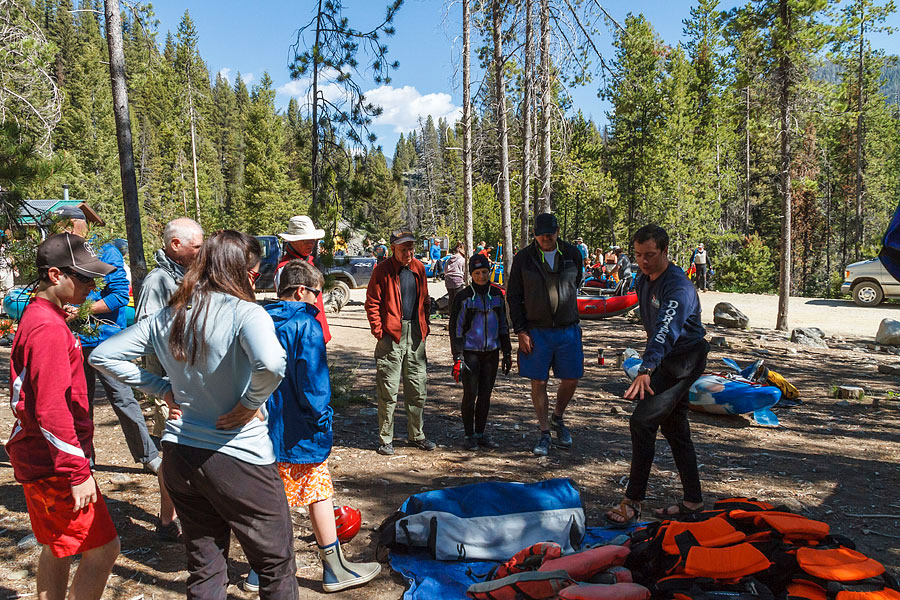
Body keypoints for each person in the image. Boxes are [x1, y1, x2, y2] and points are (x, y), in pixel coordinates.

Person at [89, 231, 298, 599]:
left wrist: (162, 387)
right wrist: (250, 404)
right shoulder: (246, 313)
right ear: (239, 270)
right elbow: (271, 363)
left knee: (205, 568)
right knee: (276, 567)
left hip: (181, 457)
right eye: (253, 270)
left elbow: (103, 355)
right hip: (240, 459)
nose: (256, 276)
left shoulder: (172, 314)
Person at [243, 259, 381, 593]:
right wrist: (323, 420)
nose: (319, 302)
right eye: (317, 294)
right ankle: (334, 569)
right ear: (302, 291)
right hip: (299, 427)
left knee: (271, 498)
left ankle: (257, 572)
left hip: (262, 428)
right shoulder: (305, 325)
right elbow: (313, 382)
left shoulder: (257, 320)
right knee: (318, 492)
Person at [6, 233, 120, 600]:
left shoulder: (43, 317)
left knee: (58, 546)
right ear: (55, 275)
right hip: (53, 465)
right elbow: (51, 409)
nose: (92, 286)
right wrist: (77, 471)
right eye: (85, 278)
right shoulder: (48, 328)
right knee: (103, 549)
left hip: (41, 457)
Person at [605, 224, 709, 527]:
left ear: (665, 251)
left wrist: (647, 368)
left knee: (642, 421)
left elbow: (666, 328)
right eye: (638, 255)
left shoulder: (677, 286)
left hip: (684, 359)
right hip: (665, 357)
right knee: (675, 428)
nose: (643, 261)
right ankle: (693, 501)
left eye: (650, 255)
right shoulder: (643, 279)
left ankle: (633, 501)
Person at [56, 206, 161, 475]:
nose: (66, 231)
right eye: (62, 227)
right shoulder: (61, 255)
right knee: (79, 402)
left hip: (106, 341)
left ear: (81, 226)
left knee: (124, 400)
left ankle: (148, 456)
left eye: (69, 225)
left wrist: (85, 310)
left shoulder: (106, 252)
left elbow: (118, 297)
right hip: (74, 342)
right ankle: (84, 459)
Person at [135, 217, 204, 542]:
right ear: (175, 245)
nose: (201, 252)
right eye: (197, 246)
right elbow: (145, 335)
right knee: (172, 452)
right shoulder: (157, 281)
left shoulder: (190, 276)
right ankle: (167, 520)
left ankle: (189, 514)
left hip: (193, 384)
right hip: (168, 388)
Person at [507, 213, 584, 456]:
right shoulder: (523, 259)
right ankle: (543, 432)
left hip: (567, 329)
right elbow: (513, 296)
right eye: (542, 233)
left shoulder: (572, 254)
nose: (546, 237)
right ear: (535, 234)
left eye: (550, 232)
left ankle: (557, 418)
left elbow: (577, 282)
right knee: (538, 381)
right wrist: (520, 331)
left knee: (571, 378)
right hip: (536, 331)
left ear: (558, 231)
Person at [364, 229, 435, 456]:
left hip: (415, 333)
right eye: (404, 249)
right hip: (391, 335)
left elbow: (424, 300)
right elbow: (372, 302)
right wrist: (379, 330)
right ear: (393, 248)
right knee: (388, 388)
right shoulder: (383, 271)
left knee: (417, 386)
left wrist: (425, 326)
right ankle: (386, 439)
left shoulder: (419, 269)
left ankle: (417, 435)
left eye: (411, 248)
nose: (408, 253)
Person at [449, 254, 512, 450]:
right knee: (470, 394)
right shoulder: (464, 297)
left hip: (491, 353)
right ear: (471, 275)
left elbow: (503, 324)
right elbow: (456, 328)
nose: (481, 276)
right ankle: (468, 435)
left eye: (484, 272)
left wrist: (507, 351)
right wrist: (457, 356)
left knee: (485, 394)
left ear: (489, 271)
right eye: (477, 273)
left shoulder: (497, 295)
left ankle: (480, 433)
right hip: (470, 353)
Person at [277, 215, 331, 344]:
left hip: (313, 330)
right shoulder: (285, 269)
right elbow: (288, 307)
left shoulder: (308, 262)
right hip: (303, 335)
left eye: (312, 240)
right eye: (305, 240)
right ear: (292, 241)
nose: (310, 244)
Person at [444, 241, 467, 311]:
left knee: (451, 298)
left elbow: (445, 269)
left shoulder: (449, 259)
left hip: (448, 279)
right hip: (458, 280)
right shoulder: (462, 260)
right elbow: (464, 271)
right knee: (458, 299)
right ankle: (457, 314)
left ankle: (451, 313)